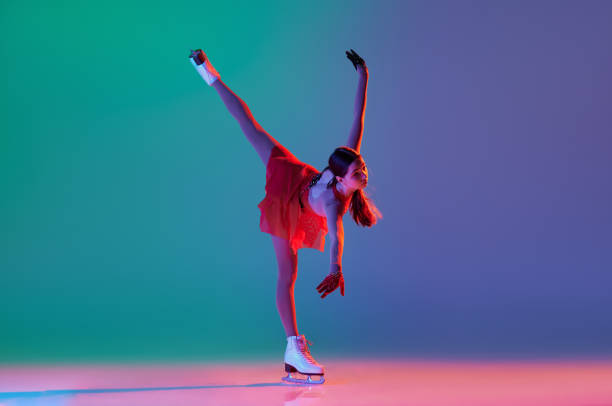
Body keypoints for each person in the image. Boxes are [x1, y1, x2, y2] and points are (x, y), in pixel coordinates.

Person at [189, 48, 381, 384]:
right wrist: (336, 268)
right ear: (339, 178)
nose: (362, 174)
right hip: (287, 197)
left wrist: (363, 76)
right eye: (357, 172)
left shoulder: (344, 168)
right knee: (287, 275)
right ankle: (293, 348)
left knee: (253, 128)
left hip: (301, 178)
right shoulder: (335, 203)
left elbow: (358, 119)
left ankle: (293, 352)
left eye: (361, 168)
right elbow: (336, 235)